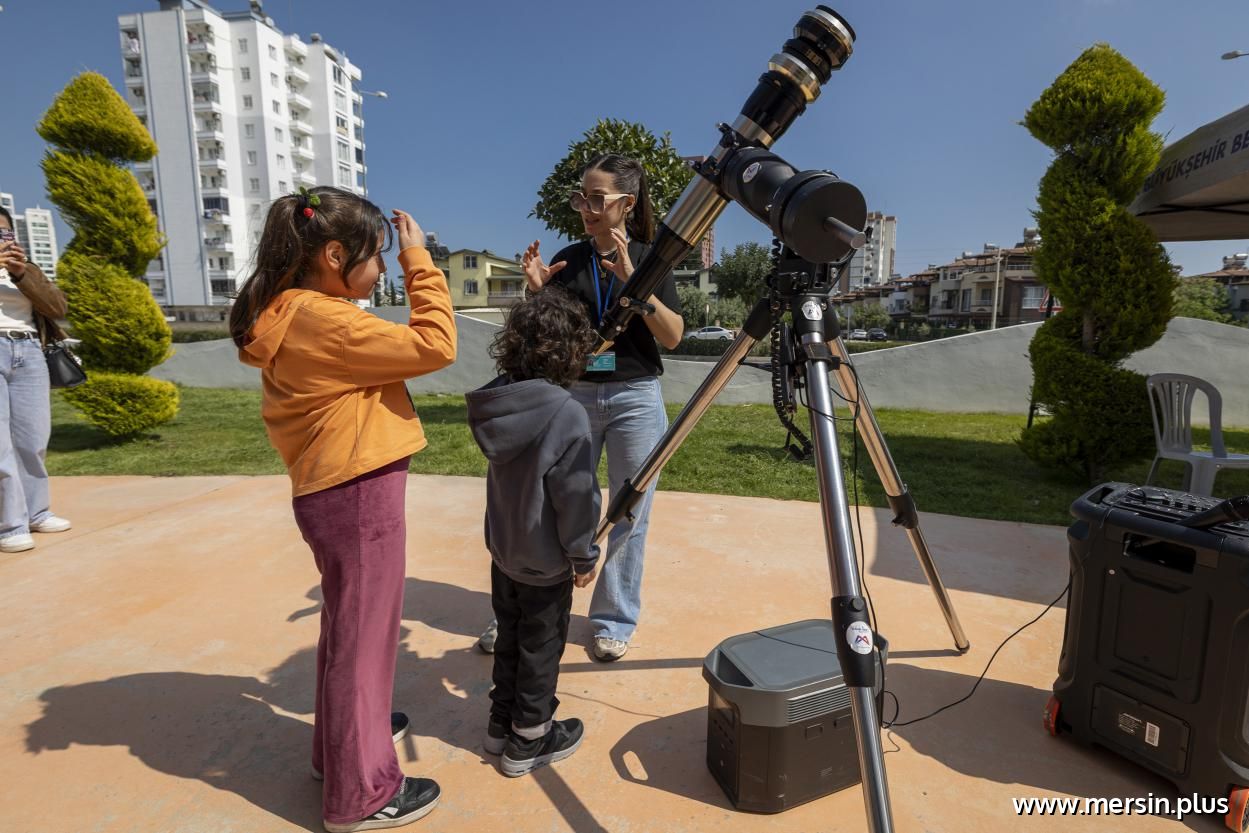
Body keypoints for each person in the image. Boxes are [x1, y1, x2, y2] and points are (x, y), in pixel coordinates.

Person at [230, 187, 456, 832]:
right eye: (377, 256)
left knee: (346, 629)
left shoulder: (293, 310)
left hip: (334, 488)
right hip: (358, 489)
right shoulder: (329, 320)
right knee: (365, 640)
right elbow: (436, 345)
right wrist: (421, 261)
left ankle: (341, 752)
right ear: (334, 255)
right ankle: (363, 793)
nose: (383, 268)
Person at [478, 153, 683, 663]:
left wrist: (638, 285)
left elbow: (674, 336)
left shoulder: (652, 258)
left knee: (628, 510)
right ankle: (530, 609)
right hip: (572, 397)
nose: (586, 208)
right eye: (581, 198)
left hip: (636, 397)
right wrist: (537, 290)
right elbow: (550, 331)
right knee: (553, 504)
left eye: (597, 198)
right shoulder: (568, 258)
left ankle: (613, 617)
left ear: (627, 204)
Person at [465, 287, 601, 776]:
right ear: (571, 351)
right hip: (546, 563)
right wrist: (584, 557)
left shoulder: (500, 401)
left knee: (510, 640)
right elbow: (577, 498)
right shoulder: (566, 414)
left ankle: (499, 725)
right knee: (541, 648)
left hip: (504, 553)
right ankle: (529, 739)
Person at [0, 206, 72, 554]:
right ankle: (9, 524)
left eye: (4, 232)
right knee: (0, 446)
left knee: (33, 437)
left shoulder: (24, 269)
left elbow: (58, 307)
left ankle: (36, 512)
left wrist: (21, 274)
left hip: (28, 350)